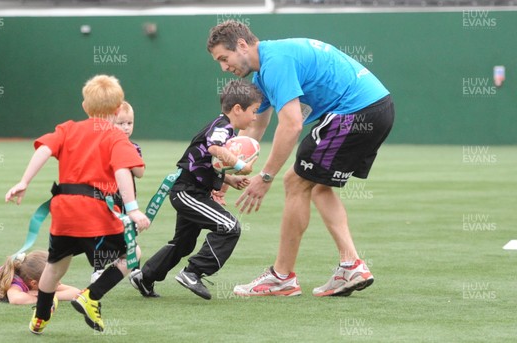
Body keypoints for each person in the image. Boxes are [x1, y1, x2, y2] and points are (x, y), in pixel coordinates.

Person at [207, 21, 395, 297]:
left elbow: (292, 125)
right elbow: (254, 127)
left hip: (356, 111)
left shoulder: (275, 64)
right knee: (318, 186)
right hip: (377, 108)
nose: (224, 67)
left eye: (225, 58)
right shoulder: (266, 72)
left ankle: (281, 277)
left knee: (294, 182)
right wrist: (226, 173)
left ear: (243, 45)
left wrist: (265, 177)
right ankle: (351, 265)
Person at [5, 74, 151, 334]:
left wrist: (23, 181)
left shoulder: (68, 128)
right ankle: (91, 296)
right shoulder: (116, 137)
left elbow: (44, 150)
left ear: (85, 106)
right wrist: (133, 209)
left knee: (55, 266)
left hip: (64, 212)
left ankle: (39, 318)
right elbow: (122, 171)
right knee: (133, 253)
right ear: (118, 109)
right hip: (95, 212)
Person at [130, 79, 261, 300]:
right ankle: (193, 272)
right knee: (229, 227)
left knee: (183, 243)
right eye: (254, 111)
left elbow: (206, 162)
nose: (255, 117)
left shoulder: (224, 127)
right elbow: (214, 148)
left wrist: (228, 179)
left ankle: (145, 277)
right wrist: (241, 166)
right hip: (187, 192)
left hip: (192, 190)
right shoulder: (223, 127)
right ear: (238, 109)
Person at [90, 101, 144, 284]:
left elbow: (140, 172)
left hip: (127, 200)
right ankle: (98, 269)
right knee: (104, 232)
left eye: (129, 123)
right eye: (121, 123)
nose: (126, 127)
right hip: (106, 199)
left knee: (130, 229)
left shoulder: (134, 147)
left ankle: (134, 269)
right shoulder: (103, 145)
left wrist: (129, 158)